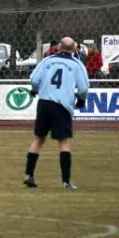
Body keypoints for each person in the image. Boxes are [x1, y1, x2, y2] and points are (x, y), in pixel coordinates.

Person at [23, 37, 88, 190]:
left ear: (59, 47)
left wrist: (37, 90)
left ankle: (28, 174)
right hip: (62, 105)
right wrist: (81, 100)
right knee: (63, 142)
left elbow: (33, 79)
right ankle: (66, 181)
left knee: (39, 139)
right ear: (74, 49)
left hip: (44, 103)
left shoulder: (47, 61)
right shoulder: (77, 64)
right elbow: (84, 88)